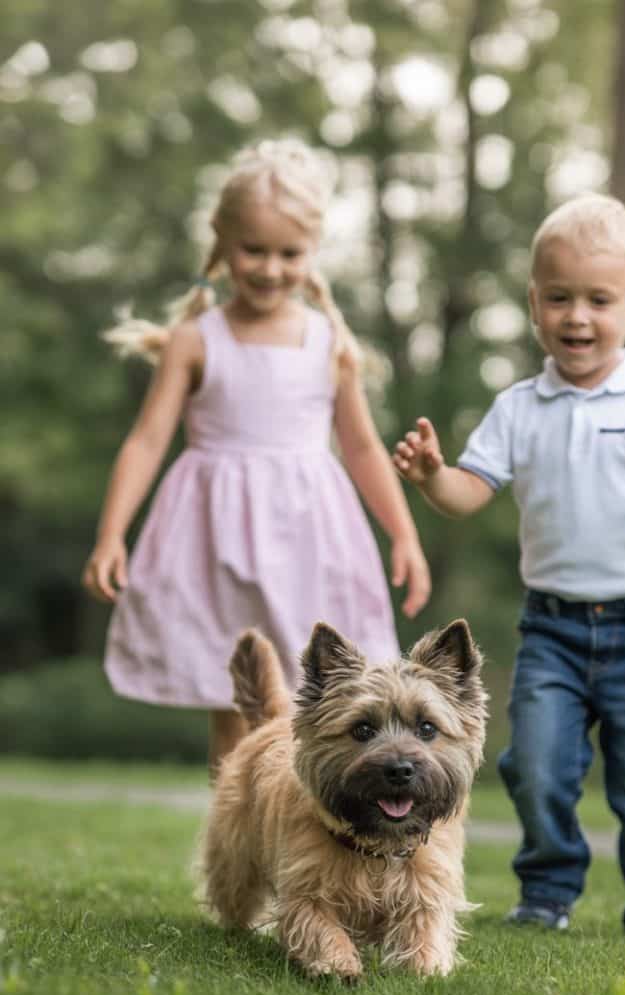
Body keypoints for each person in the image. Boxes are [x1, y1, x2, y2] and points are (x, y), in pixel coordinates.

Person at [393, 193, 625, 943]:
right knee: (537, 768)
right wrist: (429, 477)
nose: (578, 316)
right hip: (553, 626)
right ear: (535, 305)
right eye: (560, 298)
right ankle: (546, 891)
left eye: (598, 300)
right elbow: (467, 495)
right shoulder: (519, 408)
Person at [82, 138, 430, 774]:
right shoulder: (196, 339)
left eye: (289, 253)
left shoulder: (328, 342)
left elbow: (360, 446)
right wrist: (111, 535)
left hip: (310, 539)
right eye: (254, 250)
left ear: (313, 251)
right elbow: (147, 440)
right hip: (213, 540)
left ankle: (304, 844)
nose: (271, 268)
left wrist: (402, 534)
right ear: (223, 240)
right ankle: (237, 857)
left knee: (319, 698)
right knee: (238, 699)